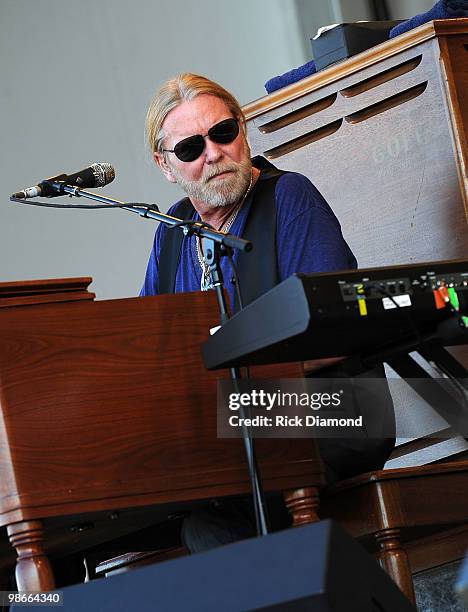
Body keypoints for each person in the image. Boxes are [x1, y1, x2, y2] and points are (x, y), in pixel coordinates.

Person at [141, 73, 395, 553]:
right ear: (165, 165)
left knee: (211, 520)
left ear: (243, 129)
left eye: (223, 133)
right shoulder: (171, 234)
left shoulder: (289, 196)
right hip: (229, 425)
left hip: (331, 409)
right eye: (191, 147)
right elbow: (151, 353)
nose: (214, 153)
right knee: (160, 512)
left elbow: (331, 331)